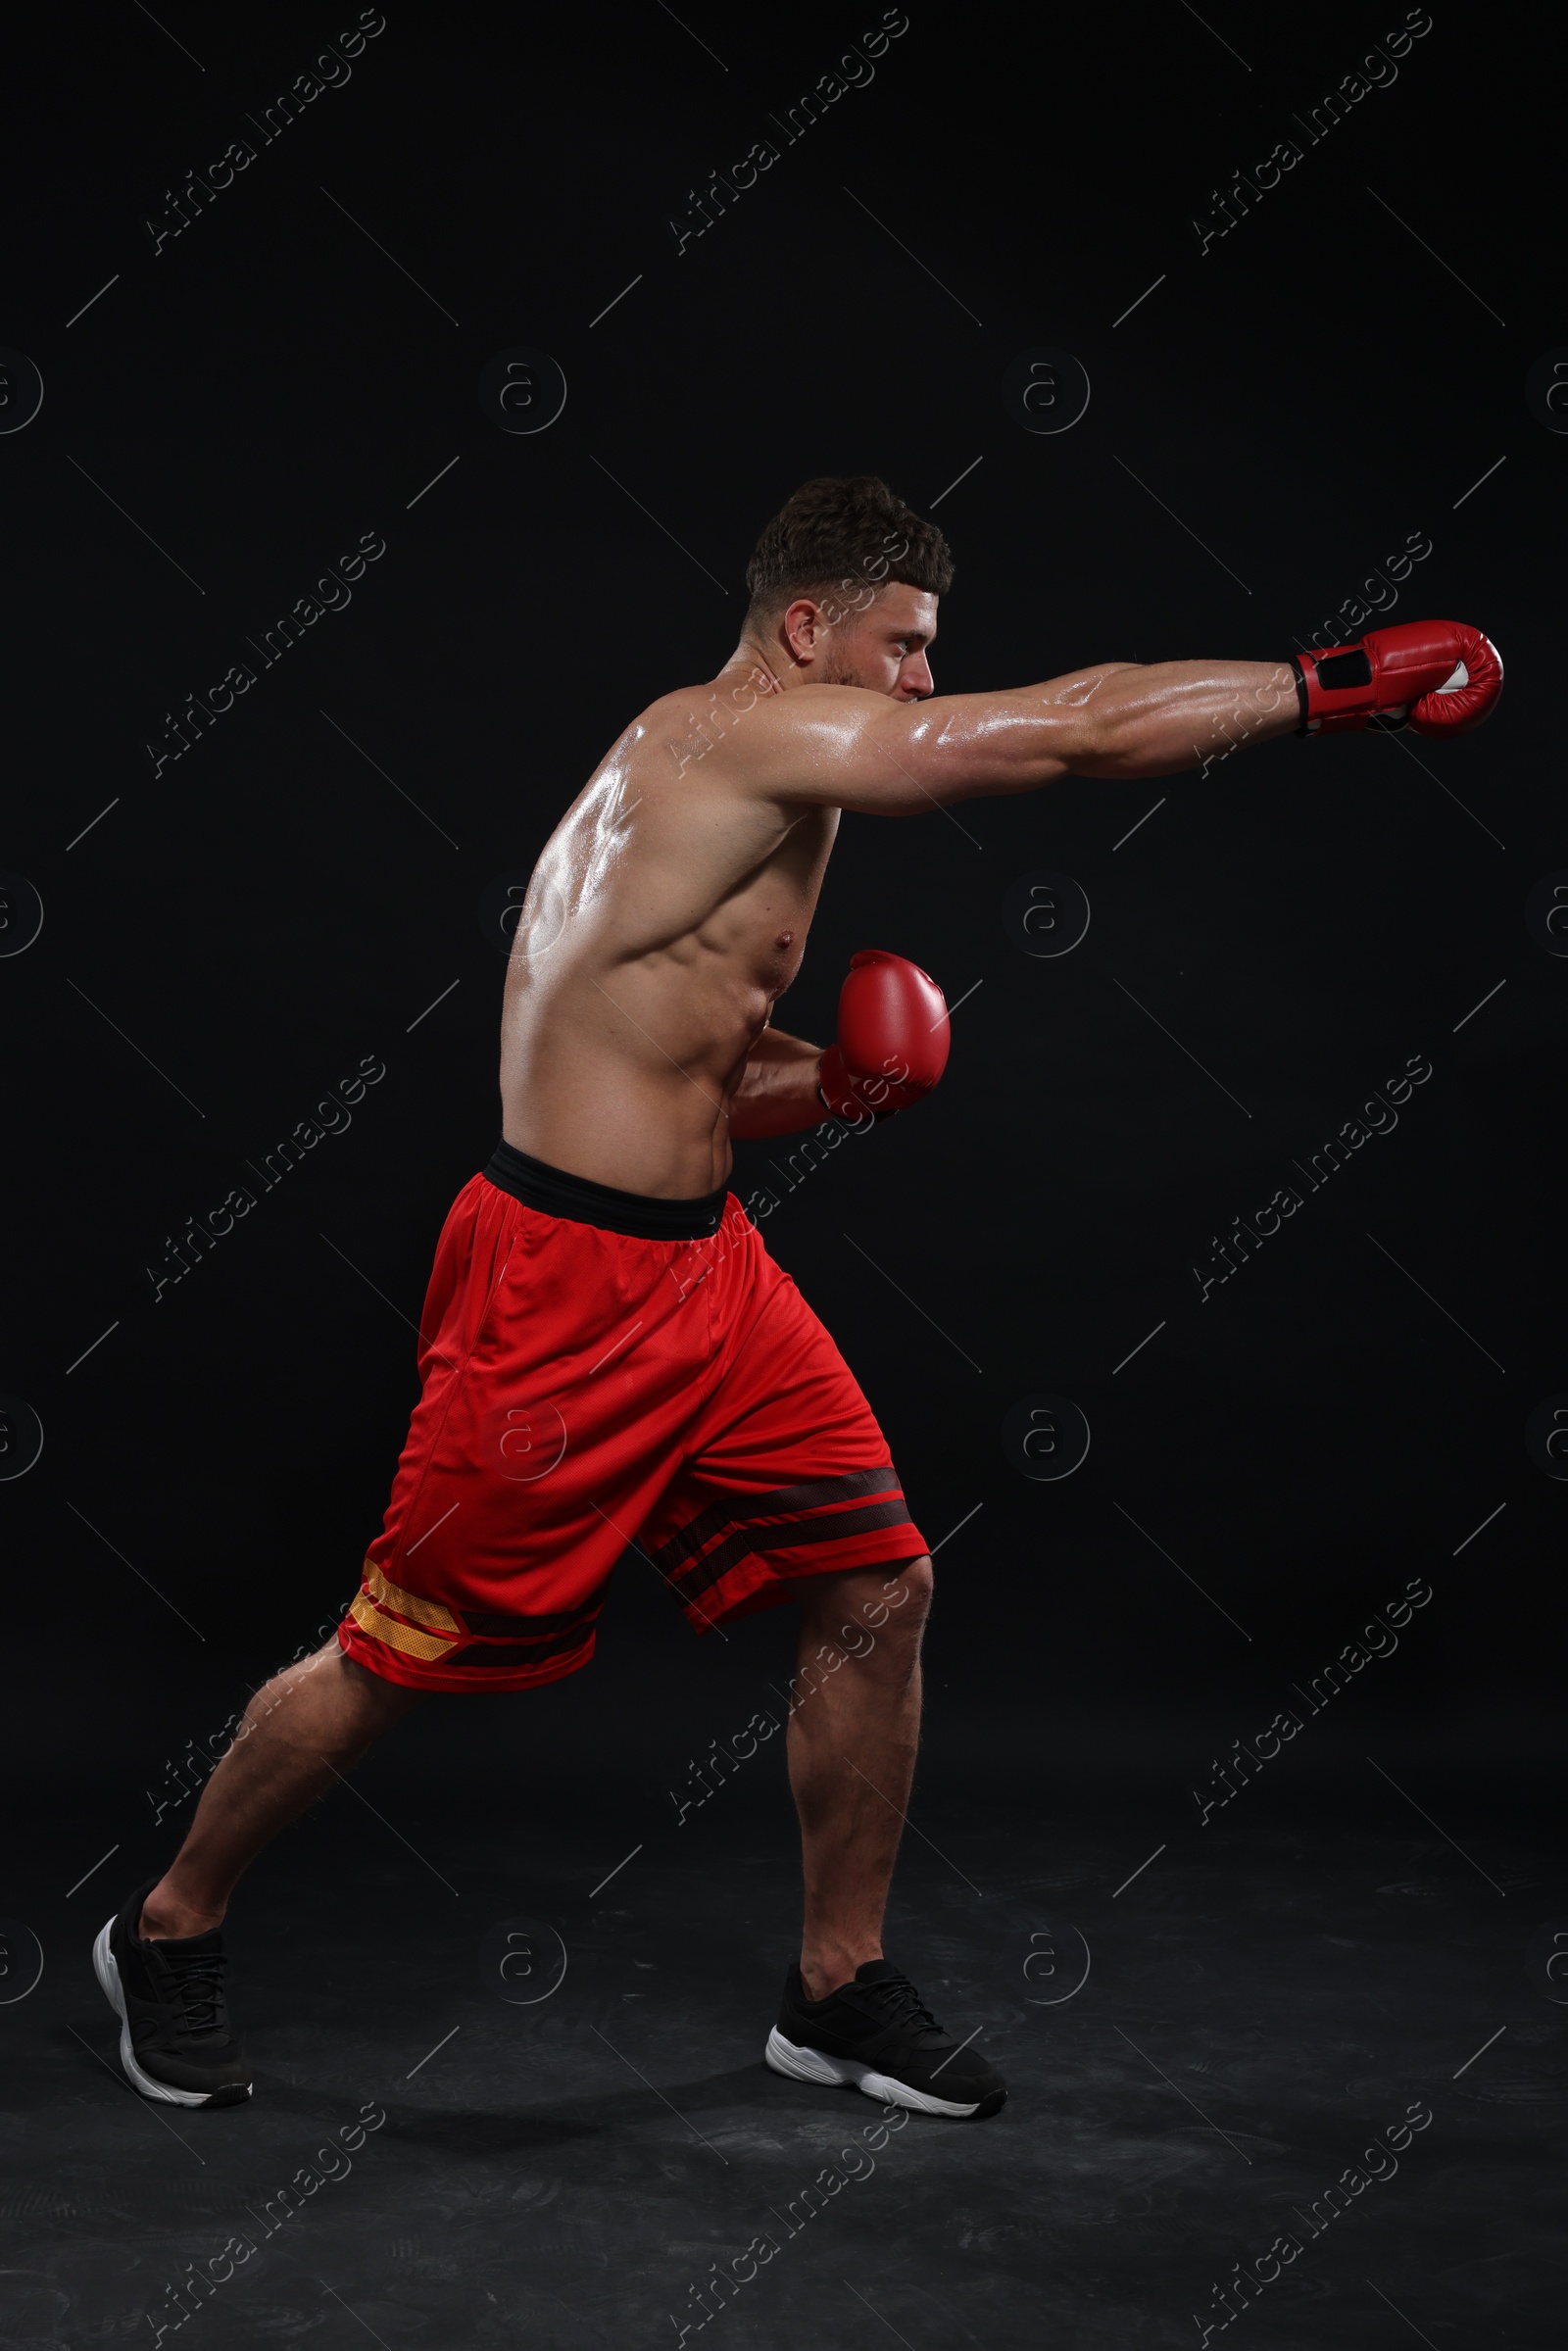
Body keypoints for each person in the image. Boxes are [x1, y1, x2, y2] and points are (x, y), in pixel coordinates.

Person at [93, 475, 1501, 2122]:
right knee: (400, 1653)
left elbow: (682, 1052)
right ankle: (166, 1925)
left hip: (711, 1276)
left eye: (929, 653)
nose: (916, 680)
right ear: (808, 625)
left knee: (881, 1589)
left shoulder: (737, 795)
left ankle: (835, 1991)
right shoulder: (730, 737)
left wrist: (827, 1082)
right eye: (901, 645)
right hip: (559, 1287)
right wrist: (1334, 686)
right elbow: (1061, 734)